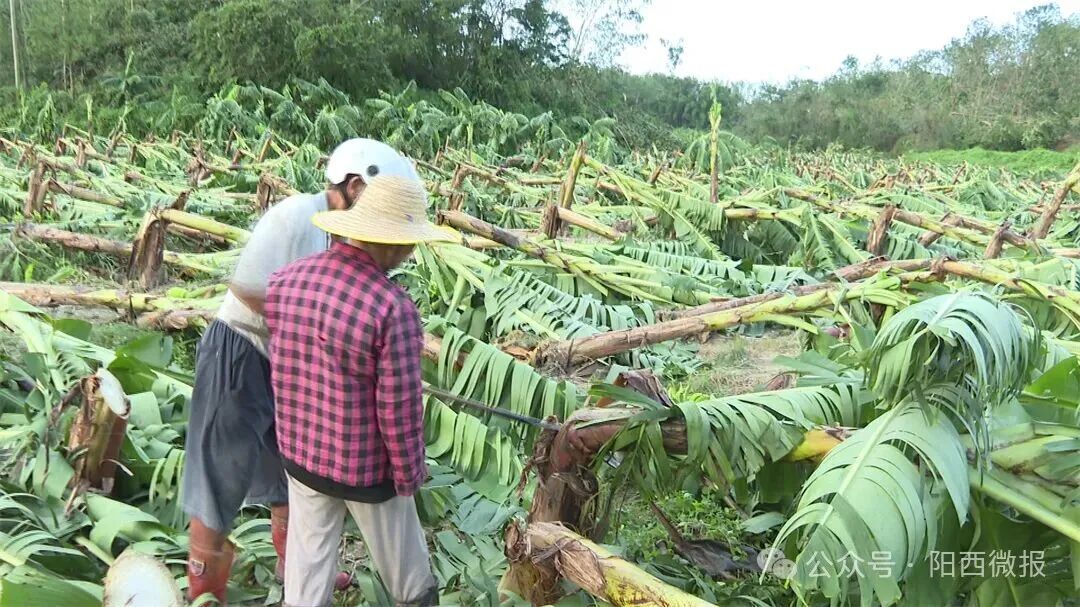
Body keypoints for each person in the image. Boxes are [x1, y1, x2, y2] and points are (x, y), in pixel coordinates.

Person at [181, 138, 420, 604]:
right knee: (220, 471)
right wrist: (321, 330)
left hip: (291, 360)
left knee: (292, 468)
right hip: (243, 350)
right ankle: (203, 586)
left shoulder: (346, 236)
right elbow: (248, 288)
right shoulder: (296, 216)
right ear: (353, 186)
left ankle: (302, 575)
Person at [264, 174, 452, 607]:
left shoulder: (285, 282)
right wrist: (409, 475)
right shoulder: (393, 308)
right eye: (408, 242)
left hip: (301, 457)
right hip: (364, 469)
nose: (410, 251)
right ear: (388, 241)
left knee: (307, 570)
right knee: (409, 578)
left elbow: (288, 366)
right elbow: (398, 409)